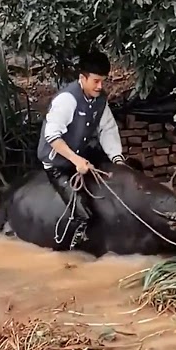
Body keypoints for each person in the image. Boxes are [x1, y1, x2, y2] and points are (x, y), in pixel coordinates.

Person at [36, 50, 127, 250]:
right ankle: (64, 251)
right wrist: (76, 160)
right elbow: (52, 136)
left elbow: (107, 129)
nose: (100, 86)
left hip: (81, 154)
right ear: (82, 78)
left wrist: (117, 159)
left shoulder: (99, 100)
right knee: (82, 215)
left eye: (103, 81)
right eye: (95, 81)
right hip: (58, 162)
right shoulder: (66, 100)